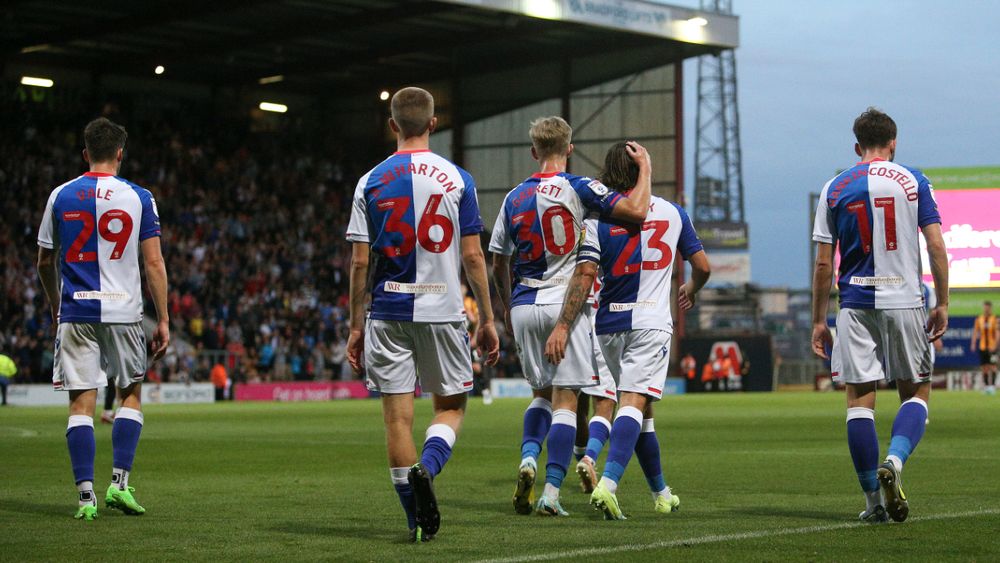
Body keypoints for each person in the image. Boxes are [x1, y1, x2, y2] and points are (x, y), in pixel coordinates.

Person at [345, 87, 500, 542]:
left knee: (397, 420)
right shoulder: (458, 179)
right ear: (434, 124)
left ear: (393, 125)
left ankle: (416, 521)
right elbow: (473, 258)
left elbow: (358, 262)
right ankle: (427, 470)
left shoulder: (369, 181)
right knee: (450, 406)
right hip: (443, 307)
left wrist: (356, 326)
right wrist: (488, 318)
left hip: (388, 308)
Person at [489, 117, 652, 516]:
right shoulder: (579, 187)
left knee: (539, 395)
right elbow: (637, 210)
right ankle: (551, 494)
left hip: (524, 303)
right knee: (567, 401)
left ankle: (529, 456)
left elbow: (497, 263)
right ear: (570, 149)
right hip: (567, 305)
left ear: (533, 152)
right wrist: (645, 168)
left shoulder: (512, 198)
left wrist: (508, 306)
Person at [545, 141, 711, 520]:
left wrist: (565, 324)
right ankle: (609, 483)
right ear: (643, 169)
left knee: (641, 412)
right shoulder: (673, 214)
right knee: (634, 404)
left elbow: (585, 274)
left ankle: (661, 492)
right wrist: (690, 289)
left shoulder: (595, 219)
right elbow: (703, 266)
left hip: (609, 325)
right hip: (651, 322)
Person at [811, 108, 949, 524]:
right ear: (893, 143)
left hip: (854, 304)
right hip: (905, 299)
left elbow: (822, 264)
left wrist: (819, 320)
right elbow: (937, 246)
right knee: (917, 391)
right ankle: (895, 460)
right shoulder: (914, 180)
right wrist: (942, 300)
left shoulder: (834, 187)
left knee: (859, 402)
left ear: (857, 147)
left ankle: (873, 502)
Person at [36, 117, 170, 521]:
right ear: (119, 154)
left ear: (85, 154)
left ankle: (85, 499)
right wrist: (163, 318)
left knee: (82, 403)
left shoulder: (60, 195)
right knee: (129, 394)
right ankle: (120, 484)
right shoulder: (139, 196)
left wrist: (55, 302)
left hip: (76, 309)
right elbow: (154, 262)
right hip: (124, 310)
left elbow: (44, 260)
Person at [970, 301, 997, 395]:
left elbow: (997, 333)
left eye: (988, 307)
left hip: (992, 346)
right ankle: (986, 387)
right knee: (984, 367)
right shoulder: (979, 319)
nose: (986, 309)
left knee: (993, 367)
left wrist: (996, 345)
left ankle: (992, 386)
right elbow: (975, 332)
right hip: (982, 347)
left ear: (990, 308)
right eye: (985, 307)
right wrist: (973, 344)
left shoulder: (994, 319)